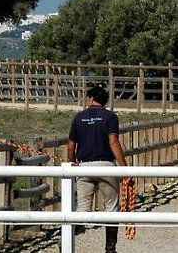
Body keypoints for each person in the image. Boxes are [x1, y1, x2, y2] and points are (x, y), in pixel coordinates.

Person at [67, 84, 129, 253]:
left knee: (82, 210)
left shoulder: (79, 117)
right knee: (112, 207)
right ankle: (110, 249)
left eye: (87, 98)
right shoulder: (110, 117)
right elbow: (113, 142)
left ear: (92, 99)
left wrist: (73, 163)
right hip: (106, 166)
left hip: (84, 167)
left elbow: (71, 145)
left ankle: (65, 240)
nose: (86, 100)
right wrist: (124, 167)